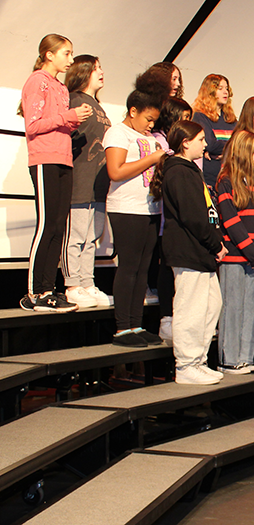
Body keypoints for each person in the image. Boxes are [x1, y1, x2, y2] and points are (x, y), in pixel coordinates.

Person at [19, 34, 92, 312]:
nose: (70, 60)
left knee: (59, 225)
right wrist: (68, 117)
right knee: (46, 224)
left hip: (63, 158)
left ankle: (49, 289)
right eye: (66, 53)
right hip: (44, 159)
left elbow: (59, 123)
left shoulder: (60, 87)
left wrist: (73, 122)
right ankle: (34, 292)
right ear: (49, 55)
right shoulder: (37, 81)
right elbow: (33, 125)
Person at [151, 120, 227, 385]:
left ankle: (198, 360)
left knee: (211, 305)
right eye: (200, 140)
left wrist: (215, 239)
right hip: (188, 249)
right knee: (191, 309)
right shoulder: (178, 171)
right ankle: (185, 365)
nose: (205, 145)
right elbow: (193, 215)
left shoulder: (189, 170)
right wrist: (214, 243)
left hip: (201, 250)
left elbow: (205, 212)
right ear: (185, 142)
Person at [104, 88, 166, 347]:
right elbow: (115, 171)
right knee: (129, 267)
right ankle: (122, 328)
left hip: (150, 208)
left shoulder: (149, 137)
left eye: (154, 121)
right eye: (148, 119)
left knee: (143, 268)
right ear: (133, 112)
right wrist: (153, 158)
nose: (151, 124)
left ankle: (136, 324)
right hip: (126, 208)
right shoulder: (118, 132)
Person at [215, 131, 254, 374]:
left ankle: (246, 356)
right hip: (235, 256)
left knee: (251, 308)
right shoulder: (226, 180)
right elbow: (230, 219)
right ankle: (229, 358)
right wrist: (249, 248)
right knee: (233, 307)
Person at [62, 54, 112, 309]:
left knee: (92, 237)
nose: (101, 72)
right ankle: (72, 285)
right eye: (96, 68)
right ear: (83, 72)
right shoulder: (74, 100)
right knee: (76, 235)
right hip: (80, 179)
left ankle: (87, 282)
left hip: (99, 184)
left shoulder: (99, 106)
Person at [151, 96, 192, 341]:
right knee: (166, 269)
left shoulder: (191, 149)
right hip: (168, 220)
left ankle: (182, 321)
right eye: (183, 118)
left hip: (186, 221)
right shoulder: (159, 141)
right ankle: (166, 319)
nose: (187, 122)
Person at [191, 74, 236, 188]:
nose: (225, 92)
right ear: (210, 91)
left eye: (226, 88)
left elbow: (240, 143)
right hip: (211, 176)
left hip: (231, 175)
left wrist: (222, 150)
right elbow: (210, 144)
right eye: (220, 89)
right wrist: (229, 149)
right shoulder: (201, 116)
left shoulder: (230, 119)